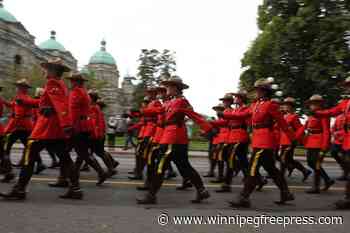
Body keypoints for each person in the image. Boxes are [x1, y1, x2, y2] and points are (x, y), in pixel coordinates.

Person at [0, 58, 81, 200]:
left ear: (53, 70)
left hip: (47, 127)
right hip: (53, 127)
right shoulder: (59, 84)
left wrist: (66, 125)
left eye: (47, 68)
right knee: (65, 159)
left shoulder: (52, 83)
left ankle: (19, 189)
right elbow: (44, 102)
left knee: (29, 155)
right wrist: (27, 101)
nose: (45, 71)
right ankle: (75, 189)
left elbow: (61, 105)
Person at [137, 76, 214, 204]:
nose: (167, 88)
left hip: (173, 138)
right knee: (185, 167)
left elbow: (194, 116)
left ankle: (151, 195)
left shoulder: (182, 102)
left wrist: (208, 129)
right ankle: (201, 191)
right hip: (171, 137)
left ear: (176, 88)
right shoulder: (169, 102)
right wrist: (141, 112)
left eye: (169, 86)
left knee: (160, 166)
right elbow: (157, 110)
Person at [224, 79, 295, 208]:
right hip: (258, 140)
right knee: (272, 170)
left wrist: (293, 138)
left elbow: (282, 123)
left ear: (264, 92)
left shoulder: (271, 105)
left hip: (265, 141)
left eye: (258, 90)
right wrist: (226, 114)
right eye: (256, 90)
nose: (256, 92)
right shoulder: (255, 105)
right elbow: (242, 115)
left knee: (252, 169)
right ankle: (286, 193)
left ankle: (244, 197)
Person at [0, 79, 46, 183]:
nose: (17, 88)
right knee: (29, 146)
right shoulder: (24, 97)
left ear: (22, 88)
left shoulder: (21, 97)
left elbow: (18, 115)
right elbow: (13, 105)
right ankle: (39, 163)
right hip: (26, 126)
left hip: (18, 126)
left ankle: (6, 169)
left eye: (18, 86)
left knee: (5, 147)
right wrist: (4, 101)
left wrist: (9, 128)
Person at [296, 95, 334, 194]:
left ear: (320, 105)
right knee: (310, 162)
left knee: (316, 164)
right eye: (311, 104)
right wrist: (294, 138)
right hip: (311, 141)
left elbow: (326, 131)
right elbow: (303, 128)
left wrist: (325, 145)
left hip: (319, 142)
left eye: (314, 104)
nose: (312, 106)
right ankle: (327, 180)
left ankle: (316, 186)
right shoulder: (311, 116)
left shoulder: (323, 115)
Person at [216, 90, 251, 193]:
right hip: (234, 136)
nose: (235, 98)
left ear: (241, 98)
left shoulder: (245, 108)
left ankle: (227, 184)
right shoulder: (235, 109)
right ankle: (256, 179)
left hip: (240, 136)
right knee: (243, 162)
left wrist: (224, 115)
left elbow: (239, 117)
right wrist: (210, 122)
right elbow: (225, 122)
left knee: (231, 160)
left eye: (237, 97)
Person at [279, 97, 311, 182]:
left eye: (287, 105)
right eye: (285, 105)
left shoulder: (294, 117)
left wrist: (297, 140)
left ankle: (281, 176)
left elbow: (299, 129)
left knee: (283, 158)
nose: (285, 106)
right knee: (288, 159)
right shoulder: (284, 116)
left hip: (290, 141)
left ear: (291, 107)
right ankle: (305, 171)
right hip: (283, 140)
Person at [330, 113, 348, 181]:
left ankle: (345, 174)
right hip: (337, 140)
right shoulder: (338, 117)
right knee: (333, 152)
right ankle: (345, 167)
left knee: (345, 157)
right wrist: (334, 134)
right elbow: (333, 127)